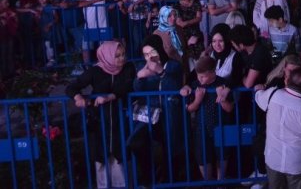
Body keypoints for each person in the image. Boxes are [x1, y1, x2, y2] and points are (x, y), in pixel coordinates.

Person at [66, 41, 135, 189]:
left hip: (120, 119)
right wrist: (78, 97)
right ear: (107, 56)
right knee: (100, 157)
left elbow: (128, 86)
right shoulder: (95, 71)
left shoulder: (128, 68)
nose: (121, 59)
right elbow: (72, 87)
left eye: (123, 54)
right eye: (117, 56)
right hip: (99, 121)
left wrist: (111, 96)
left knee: (119, 157)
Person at [127, 35, 184, 186]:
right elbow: (137, 90)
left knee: (170, 149)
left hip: (169, 114)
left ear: (159, 50)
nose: (149, 57)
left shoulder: (173, 65)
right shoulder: (142, 67)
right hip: (150, 116)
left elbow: (174, 86)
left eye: (152, 52)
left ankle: (170, 181)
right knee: (137, 143)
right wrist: (139, 77)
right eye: (145, 54)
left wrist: (160, 72)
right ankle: (148, 180)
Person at [254, 67, 301, 189]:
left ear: (286, 81)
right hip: (296, 163)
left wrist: (258, 90)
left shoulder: (272, 95)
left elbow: (259, 98)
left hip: (272, 159)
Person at [179, 55, 234, 182]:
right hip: (201, 126)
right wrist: (198, 100)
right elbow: (189, 108)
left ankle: (221, 182)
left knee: (222, 154)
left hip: (221, 124)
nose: (200, 78)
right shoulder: (194, 85)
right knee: (203, 156)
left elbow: (229, 108)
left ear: (213, 72)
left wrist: (222, 98)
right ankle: (208, 182)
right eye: (199, 75)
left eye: (203, 76)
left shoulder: (223, 83)